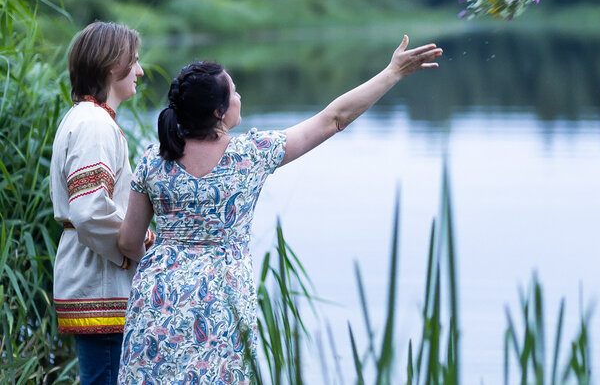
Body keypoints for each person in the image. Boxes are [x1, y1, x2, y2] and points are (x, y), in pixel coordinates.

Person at [116, 35, 442, 382]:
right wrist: (392, 73)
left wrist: (168, 259)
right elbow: (334, 118)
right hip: (221, 303)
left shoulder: (154, 159)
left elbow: (128, 242)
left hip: (158, 297)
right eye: (234, 92)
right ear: (218, 112)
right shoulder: (250, 155)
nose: (240, 97)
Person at [50, 21, 154, 385]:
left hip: (94, 275)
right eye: (135, 61)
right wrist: (135, 243)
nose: (139, 70)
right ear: (114, 66)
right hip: (100, 280)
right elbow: (88, 210)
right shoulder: (94, 124)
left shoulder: (87, 118)